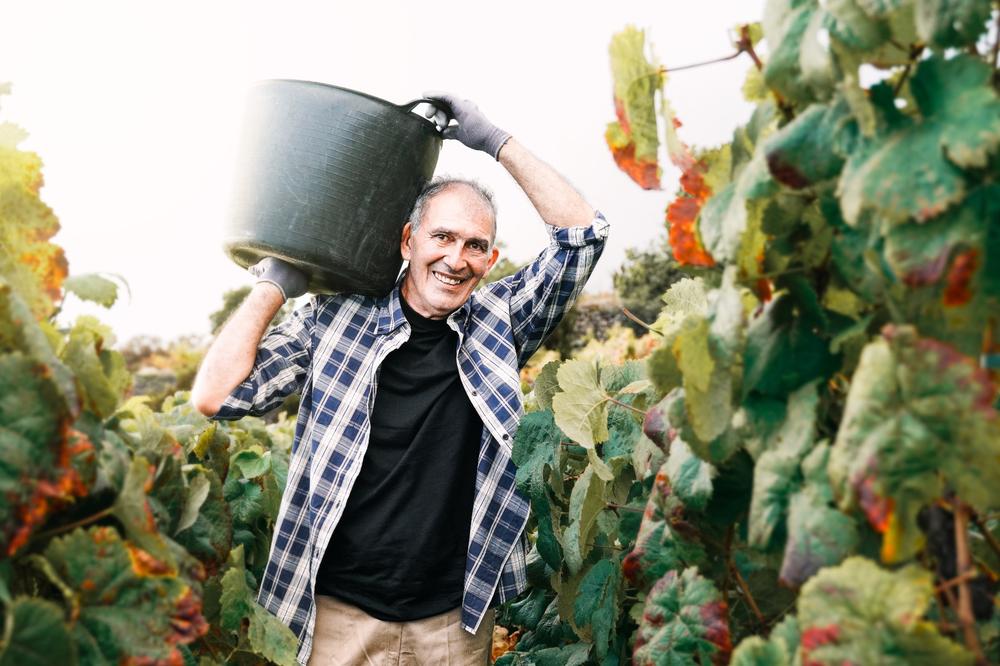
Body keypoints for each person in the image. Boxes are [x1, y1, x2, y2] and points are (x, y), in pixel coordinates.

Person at [191, 92, 609, 665]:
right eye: (443, 237)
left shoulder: (502, 321)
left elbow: (584, 235)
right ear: (408, 241)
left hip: (452, 625)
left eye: (475, 246)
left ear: (490, 261)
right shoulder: (333, 320)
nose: (456, 259)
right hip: (336, 617)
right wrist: (274, 284)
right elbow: (215, 395)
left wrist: (495, 142)